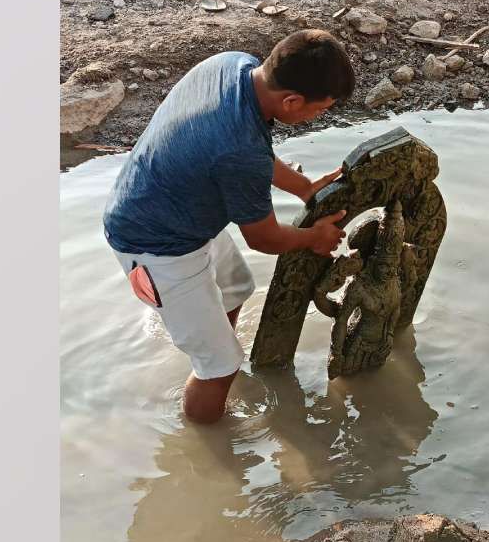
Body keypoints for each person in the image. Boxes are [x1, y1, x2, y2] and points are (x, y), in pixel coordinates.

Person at [102, 29, 355, 424]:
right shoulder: (240, 149)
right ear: (291, 100)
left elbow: (249, 150)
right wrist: (314, 237)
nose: (318, 117)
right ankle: (210, 449)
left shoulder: (232, 65)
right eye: (319, 110)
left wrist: (303, 187)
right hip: (154, 244)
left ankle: (216, 354)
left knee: (235, 287)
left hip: (172, 203)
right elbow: (264, 237)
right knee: (219, 367)